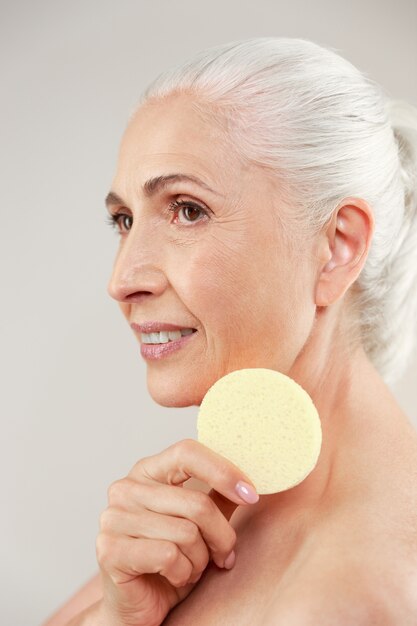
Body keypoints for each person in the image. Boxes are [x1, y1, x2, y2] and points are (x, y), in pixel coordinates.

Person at [44, 37, 417, 625]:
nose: (122, 280)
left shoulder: (347, 598)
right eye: (124, 220)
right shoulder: (232, 498)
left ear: (338, 247)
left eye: (187, 209)